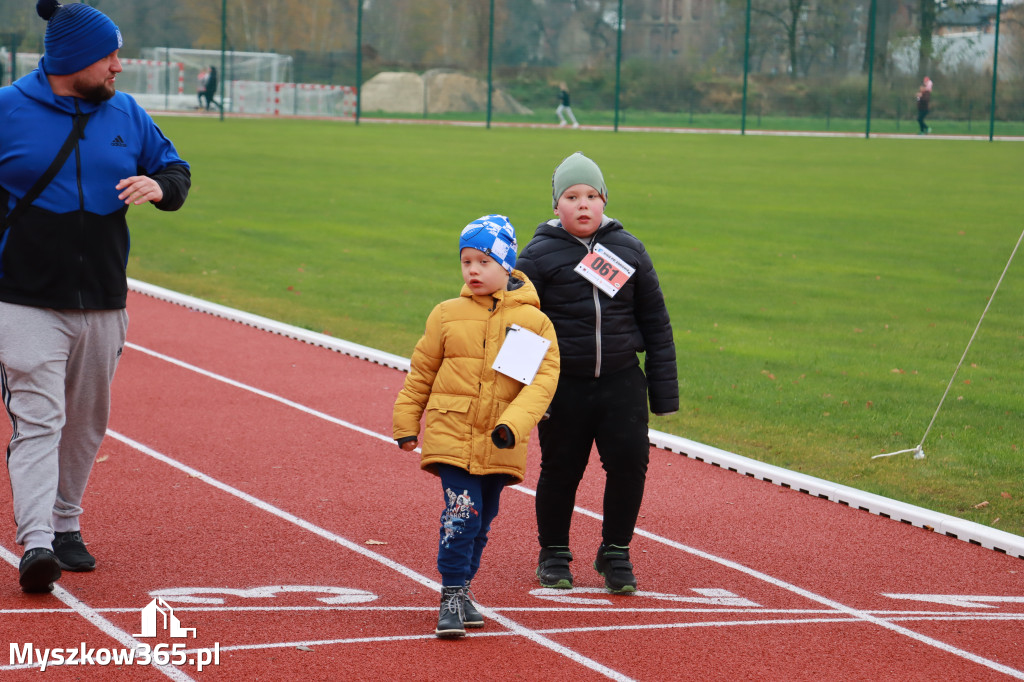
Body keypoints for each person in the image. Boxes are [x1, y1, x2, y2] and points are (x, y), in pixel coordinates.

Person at [0, 0, 191, 593]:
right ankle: (35, 544)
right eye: (110, 55)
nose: (119, 67)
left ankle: (65, 525)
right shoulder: (6, 110)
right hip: (23, 297)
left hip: (105, 299)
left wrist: (159, 185)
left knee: (85, 423)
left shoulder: (127, 113)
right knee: (39, 419)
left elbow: (177, 169)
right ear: (75, 59)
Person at [517, 152, 678, 594]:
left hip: (622, 382)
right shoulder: (536, 256)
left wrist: (663, 394)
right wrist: (526, 397)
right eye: (572, 196)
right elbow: (519, 329)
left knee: (630, 466)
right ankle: (553, 553)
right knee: (561, 470)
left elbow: (656, 322)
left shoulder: (629, 250)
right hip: (563, 386)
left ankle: (615, 551)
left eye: (592, 195)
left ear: (605, 201)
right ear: (556, 206)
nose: (583, 204)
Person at [393, 214, 559, 638]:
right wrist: (406, 421)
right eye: (466, 262)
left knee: (482, 520)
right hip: (452, 433)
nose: (473, 271)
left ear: (506, 265)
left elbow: (540, 384)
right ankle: (450, 593)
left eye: (483, 261)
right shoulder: (446, 314)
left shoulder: (534, 322)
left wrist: (511, 425)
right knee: (461, 514)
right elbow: (422, 372)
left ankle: (464, 588)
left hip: (500, 442)